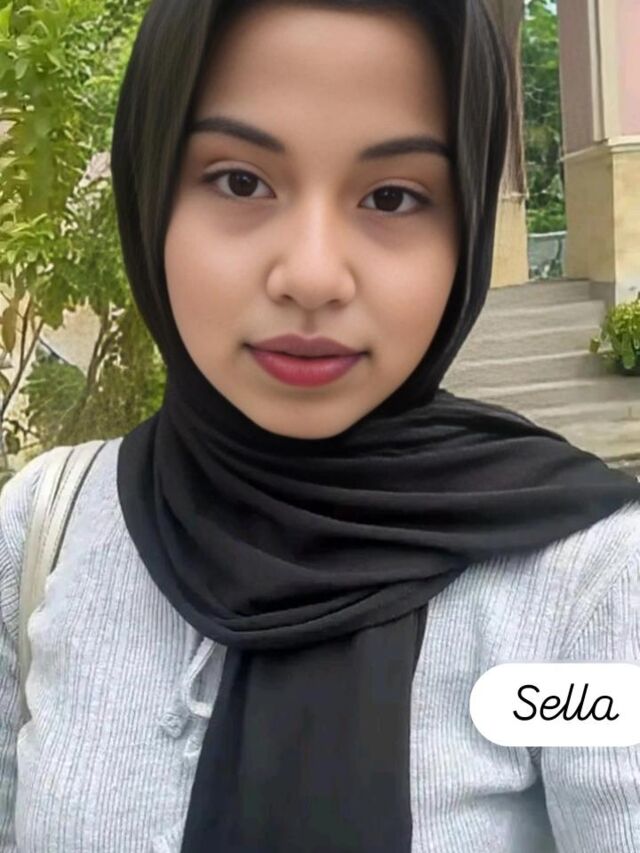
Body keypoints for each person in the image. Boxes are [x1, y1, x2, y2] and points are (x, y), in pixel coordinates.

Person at [1, 0, 640, 850]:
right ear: (151, 190)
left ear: (465, 229)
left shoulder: (589, 582)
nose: (311, 276)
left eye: (392, 196)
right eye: (240, 181)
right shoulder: (43, 530)